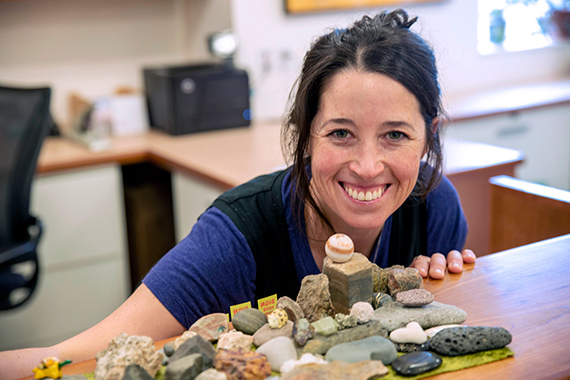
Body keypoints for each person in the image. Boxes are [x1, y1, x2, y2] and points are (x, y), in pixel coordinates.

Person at [0, 9, 475, 379]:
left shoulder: (434, 207)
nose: (369, 166)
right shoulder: (237, 237)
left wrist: (442, 285)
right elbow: (79, 354)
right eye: (340, 134)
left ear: (429, 135)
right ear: (305, 135)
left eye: (395, 135)